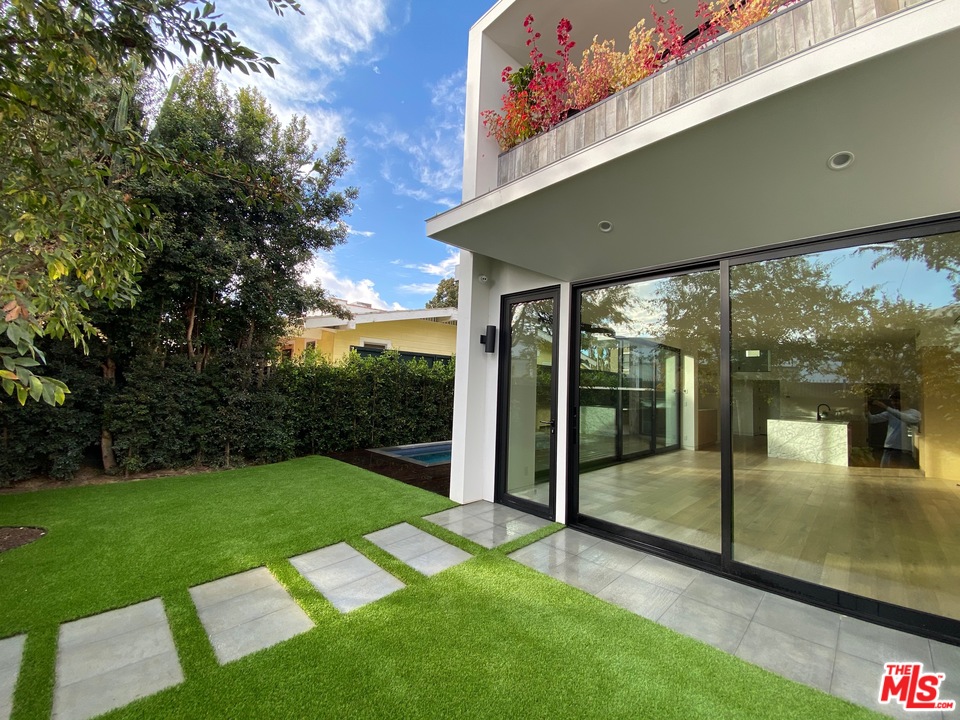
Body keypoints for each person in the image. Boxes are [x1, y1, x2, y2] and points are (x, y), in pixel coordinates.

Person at [866, 390, 921, 469]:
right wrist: (866, 410)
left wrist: (885, 407)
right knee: (885, 473)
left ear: (906, 400)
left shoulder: (914, 413)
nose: (893, 403)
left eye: (896, 401)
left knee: (903, 474)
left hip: (904, 450)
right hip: (888, 448)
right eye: (892, 401)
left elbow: (906, 418)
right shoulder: (891, 412)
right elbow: (872, 420)